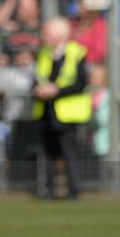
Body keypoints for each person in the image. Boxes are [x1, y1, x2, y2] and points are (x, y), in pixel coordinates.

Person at [32, 17, 91, 199]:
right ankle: (48, 191)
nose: (43, 37)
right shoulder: (43, 54)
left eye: (47, 33)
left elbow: (81, 83)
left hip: (67, 114)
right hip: (46, 111)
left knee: (69, 153)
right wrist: (38, 89)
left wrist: (56, 91)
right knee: (47, 153)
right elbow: (36, 78)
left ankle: (74, 191)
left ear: (60, 35)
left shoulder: (77, 53)